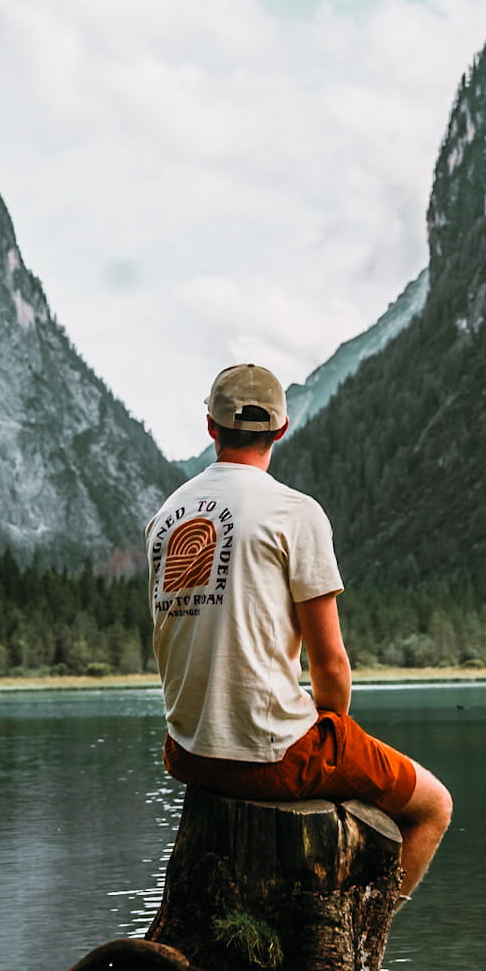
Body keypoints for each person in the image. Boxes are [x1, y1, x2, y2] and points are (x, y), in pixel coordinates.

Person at [146, 362, 452, 897]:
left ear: (211, 427)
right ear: (282, 429)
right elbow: (329, 661)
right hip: (271, 755)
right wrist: (331, 731)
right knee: (433, 807)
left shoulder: (165, 516)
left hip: (187, 751)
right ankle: (367, 934)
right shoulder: (294, 512)